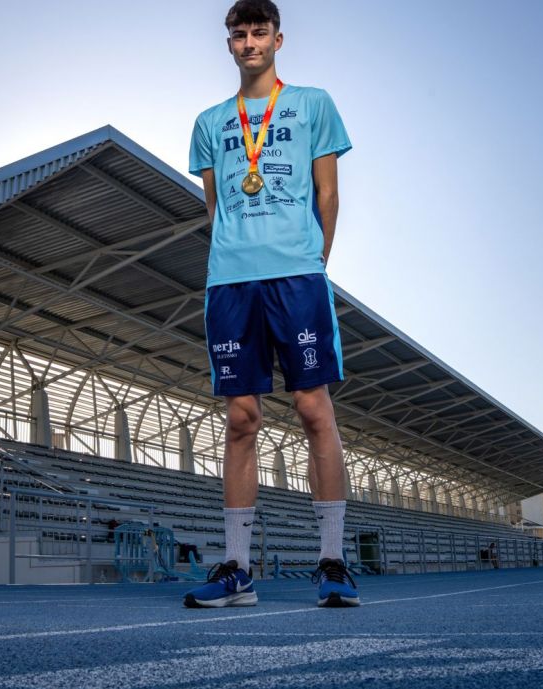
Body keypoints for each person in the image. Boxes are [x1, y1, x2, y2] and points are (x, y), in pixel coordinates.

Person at [183, 0, 356, 609]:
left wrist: (314, 257)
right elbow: (215, 207)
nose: (250, 42)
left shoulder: (313, 104)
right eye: (239, 33)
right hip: (231, 282)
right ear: (228, 43)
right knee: (240, 419)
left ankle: (332, 562)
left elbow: (328, 193)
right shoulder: (209, 121)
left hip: (298, 277)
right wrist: (240, 254)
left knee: (314, 409)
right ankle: (237, 570)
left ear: (279, 39)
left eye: (260, 32)